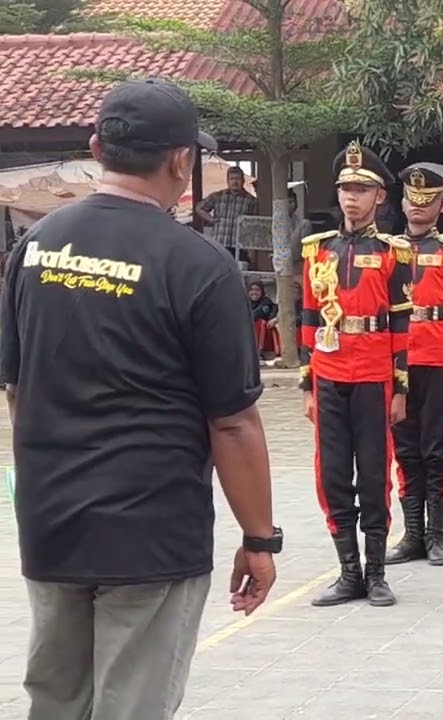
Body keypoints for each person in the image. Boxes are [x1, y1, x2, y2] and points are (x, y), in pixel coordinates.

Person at [1, 78, 278, 719]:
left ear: (98, 147)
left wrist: (49, 485)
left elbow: (18, 391)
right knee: (133, 707)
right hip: (150, 534)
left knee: (56, 702)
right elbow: (233, 423)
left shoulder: (33, 249)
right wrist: (261, 539)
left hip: (51, 527)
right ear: (183, 161)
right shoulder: (198, 264)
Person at [300, 142, 413, 607]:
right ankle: (348, 571)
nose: (351, 197)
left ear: (380, 197)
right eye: (346, 188)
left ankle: (378, 572)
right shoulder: (317, 250)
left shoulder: (393, 252)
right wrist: (307, 383)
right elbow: (308, 317)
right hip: (328, 372)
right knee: (331, 474)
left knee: (373, 472)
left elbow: (403, 326)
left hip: (372, 372)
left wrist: (401, 387)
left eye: (362, 189)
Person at [383, 162, 443, 566]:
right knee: (404, 447)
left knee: (439, 447)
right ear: (402, 202)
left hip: (439, 357)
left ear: (440, 206)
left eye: (428, 201)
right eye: (412, 199)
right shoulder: (386, 249)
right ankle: (412, 534)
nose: (418, 207)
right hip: (399, 360)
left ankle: (436, 535)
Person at [248, 280, 280, 359]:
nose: (254, 292)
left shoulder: (266, 302)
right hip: (250, 334)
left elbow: (257, 314)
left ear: (262, 292)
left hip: (266, 336)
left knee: (260, 323)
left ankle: (257, 352)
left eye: (257, 290)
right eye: (251, 290)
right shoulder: (245, 302)